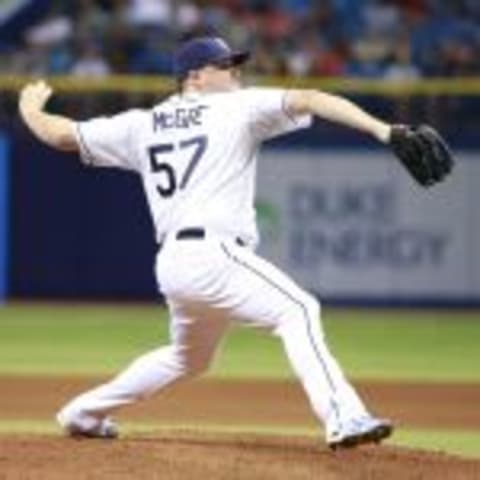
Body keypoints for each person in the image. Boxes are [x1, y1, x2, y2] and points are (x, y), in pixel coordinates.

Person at [18, 36, 451, 450]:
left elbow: (60, 135)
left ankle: (81, 413)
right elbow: (313, 98)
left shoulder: (142, 124)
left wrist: (30, 108)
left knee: (190, 359)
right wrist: (385, 130)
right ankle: (344, 416)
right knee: (299, 310)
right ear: (194, 77)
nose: (236, 73)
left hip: (173, 263)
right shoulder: (236, 108)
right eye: (225, 66)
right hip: (214, 254)